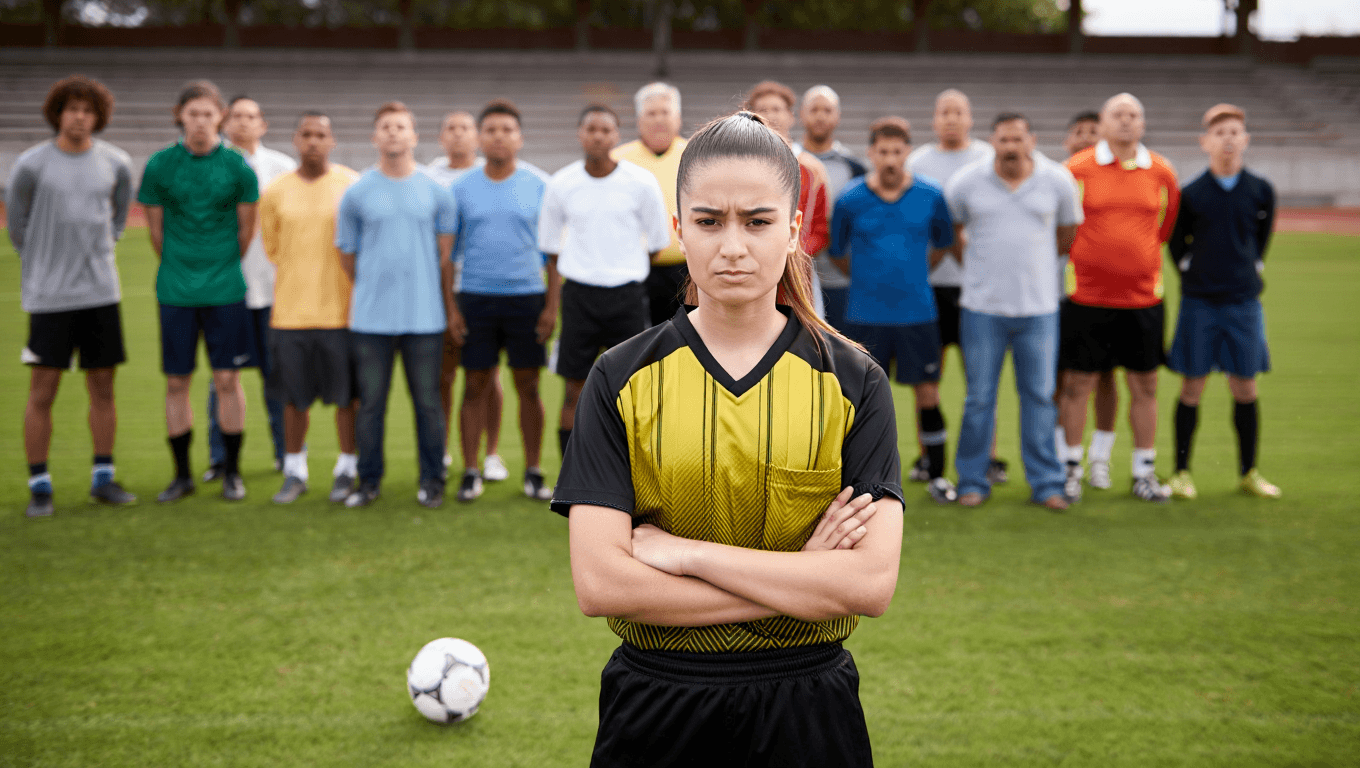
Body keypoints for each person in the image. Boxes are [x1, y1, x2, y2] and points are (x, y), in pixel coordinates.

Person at [553, 111, 902, 768]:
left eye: (758, 221)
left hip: (809, 703)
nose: (732, 245)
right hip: (657, 700)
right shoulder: (619, 376)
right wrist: (803, 578)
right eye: (709, 222)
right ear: (680, 229)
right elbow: (602, 584)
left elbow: (869, 585)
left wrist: (682, 554)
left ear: (795, 230)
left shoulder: (854, 379)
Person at [6, 74, 136, 518]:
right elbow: (17, 225)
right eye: (72, 109)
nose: (79, 117)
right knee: (42, 391)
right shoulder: (31, 164)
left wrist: (99, 250)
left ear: (98, 117)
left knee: (103, 389)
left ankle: (103, 477)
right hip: (49, 296)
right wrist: (44, 263)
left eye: (87, 110)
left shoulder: (116, 162)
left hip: (101, 293)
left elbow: (118, 218)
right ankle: (39, 484)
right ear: (57, 114)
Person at [946, 113, 1082, 510]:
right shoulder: (967, 182)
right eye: (1003, 139)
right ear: (993, 141)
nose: (1010, 146)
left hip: (1038, 310)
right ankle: (972, 480)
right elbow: (955, 233)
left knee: (1039, 397)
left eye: (1017, 139)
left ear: (1032, 140)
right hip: (982, 309)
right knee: (979, 399)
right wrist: (979, 271)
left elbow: (1066, 234)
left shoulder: (1057, 180)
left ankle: (1047, 483)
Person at [138, 80, 258, 503]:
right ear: (180, 116)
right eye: (193, 114)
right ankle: (182, 474)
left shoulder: (239, 167)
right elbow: (155, 233)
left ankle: (232, 471)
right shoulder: (159, 166)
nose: (201, 122)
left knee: (227, 378)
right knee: (177, 382)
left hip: (225, 288)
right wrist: (182, 267)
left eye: (209, 114)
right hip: (175, 290)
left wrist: (218, 265)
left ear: (220, 117)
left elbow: (246, 231)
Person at [335, 101, 458, 509]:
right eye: (385, 126)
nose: (392, 133)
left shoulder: (436, 192)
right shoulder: (356, 193)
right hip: (370, 320)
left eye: (400, 126)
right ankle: (369, 481)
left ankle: (433, 480)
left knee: (427, 403)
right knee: (370, 405)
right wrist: (376, 285)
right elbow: (348, 254)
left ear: (413, 136)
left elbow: (443, 253)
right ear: (375, 136)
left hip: (424, 319)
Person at [831, 116, 958, 504]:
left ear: (907, 153)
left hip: (917, 313)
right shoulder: (850, 198)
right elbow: (838, 254)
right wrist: (871, 281)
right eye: (882, 151)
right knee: (860, 401)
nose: (889, 159)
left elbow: (941, 245)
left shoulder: (930, 195)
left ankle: (936, 475)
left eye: (897, 151)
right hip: (865, 316)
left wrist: (911, 276)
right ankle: (861, 481)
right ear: (871, 153)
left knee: (928, 394)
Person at [1061, 92, 1180, 503]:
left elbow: (1165, 228)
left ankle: (1143, 471)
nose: (1127, 121)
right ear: (1104, 123)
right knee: (1078, 384)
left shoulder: (1162, 171)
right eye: (1118, 114)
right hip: (1086, 297)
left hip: (1144, 300)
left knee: (1145, 385)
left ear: (1142, 124)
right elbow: (1062, 228)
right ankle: (1071, 467)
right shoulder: (1076, 169)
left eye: (1134, 114)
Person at [537, 104, 670, 462]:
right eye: (591, 129)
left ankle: (630, 471)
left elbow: (657, 244)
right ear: (580, 134)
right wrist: (553, 305)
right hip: (579, 297)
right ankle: (570, 473)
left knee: (631, 390)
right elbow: (551, 250)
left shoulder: (640, 182)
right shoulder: (561, 183)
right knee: (574, 389)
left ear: (617, 135)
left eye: (606, 130)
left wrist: (621, 268)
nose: (598, 136)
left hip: (626, 297)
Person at [1166, 104, 1281, 500]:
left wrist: (1246, 270)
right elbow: (1177, 245)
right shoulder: (1192, 193)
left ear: (1245, 139)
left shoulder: (1260, 190)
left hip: (1243, 303)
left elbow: (1262, 237)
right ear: (1205, 142)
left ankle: (1249, 472)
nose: (1228, 138)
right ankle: (1181, 472)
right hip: (1200, 302)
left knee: (1245, 388)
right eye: (1219, 132)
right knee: (1191, 388)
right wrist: (1197, 275)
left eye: (1235, 131)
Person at [447, 99, 556, 503]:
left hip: (527, 297)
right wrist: (452, 308)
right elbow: (447, 255)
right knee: (474, 384)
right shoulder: (460, 188)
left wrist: (550, 307)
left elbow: (554, 255)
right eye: (491, 129)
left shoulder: (540, 185)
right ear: (480, 137)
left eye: (507, 129)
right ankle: (471, 470)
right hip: (475, 296)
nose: (499, 136)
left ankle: (532, 469)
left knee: (528, 385)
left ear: (520, 137)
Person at [258, 111, 361, 504]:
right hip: (290, 314)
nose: (314, 141)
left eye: (321, 134)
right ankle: (295, 470)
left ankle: (346, 468)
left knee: (346, 399)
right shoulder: (275, 191)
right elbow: (272, 248)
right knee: (292, 400)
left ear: (332, 141)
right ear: (295, 140)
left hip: (341, 314)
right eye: (306, 134)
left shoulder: (349, 185)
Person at [907, 89, 1008, 486]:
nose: (951, 118)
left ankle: (990, 455)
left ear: (970, 118)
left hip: (975, 287)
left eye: (959, 112)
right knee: (926, 379)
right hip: (929, 286)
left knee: (980, 378)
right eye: (944, 112)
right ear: (934, 120)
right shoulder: (917, 162)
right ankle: (925, 455)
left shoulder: (986, 159)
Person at [201, 95, 294, 482]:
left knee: (277, 377)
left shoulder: (282, 169)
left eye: (251, 116)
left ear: (263, 124)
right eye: (236, 116)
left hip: (273, 290)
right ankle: (220, 458)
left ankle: (284, 455)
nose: (243, 123)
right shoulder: (208, 168)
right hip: (226, 289)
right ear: (225, 122)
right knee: (223, 377)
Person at [425, 110, 509, 484]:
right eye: (450, 128)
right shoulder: (429, 177)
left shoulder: (490, 177)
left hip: (482, 287)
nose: (457, 134)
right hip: (441, 286)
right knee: (444, 374)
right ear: (441, 137)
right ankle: (442, 449)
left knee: (488, 375)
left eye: (464, 128)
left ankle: (491, 453)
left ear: (476, 137)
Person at [1053, 110, 1121, 490]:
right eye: (1078, 132)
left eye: (1093, 133)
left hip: (1101, 294)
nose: (1085, 138)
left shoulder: (1113, 178)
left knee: (1106, 376)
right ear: (1067, 141)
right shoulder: (1056, 178)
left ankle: (1100, 457)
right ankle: (1062, 456)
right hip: (1059, 294)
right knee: (1062, 381)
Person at [744, 80, 830, 316]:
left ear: (791, 116)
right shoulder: (738, 166)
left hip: (798, 276)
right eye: (762, 110)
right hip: (749, 271)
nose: (770, 116)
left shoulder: (812, 169)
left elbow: (821, 229)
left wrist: (793, 250)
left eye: (777, 109)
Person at [613, 82, 689, 327]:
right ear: (638, 120)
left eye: (665, 112)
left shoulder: (696, 155)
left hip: (687, 271)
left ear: (678, 118)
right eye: (651, 113)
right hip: (632, 270)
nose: (659, 120)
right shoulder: (617, 160)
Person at [798, 84, 866, 333]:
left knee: (841, 356)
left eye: (827, 110)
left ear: (837, 116)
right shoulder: (787, 160)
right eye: (814, 109)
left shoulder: (854, 168)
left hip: (841, 279)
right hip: (796, 278)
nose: (820, 115)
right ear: (802, 114)